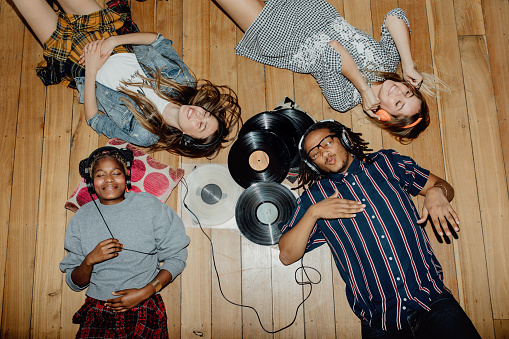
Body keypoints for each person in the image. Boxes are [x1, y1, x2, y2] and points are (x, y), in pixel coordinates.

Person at [278, 120, 481, 338]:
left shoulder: (387, 163)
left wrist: (435, 192)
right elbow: (287, 255)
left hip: (432, 303)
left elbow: (444, 187)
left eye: (326, 142)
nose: (323, 152)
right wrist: (313, 213)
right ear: (313, 165)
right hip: (380, 322)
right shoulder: (315, 198)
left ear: (344, 138)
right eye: (314, 154)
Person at [11, 0, 242, 158]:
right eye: (206, 113)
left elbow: (94, 120)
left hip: (77, 59)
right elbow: (157, 41)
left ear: (188, 139)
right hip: (105, 32)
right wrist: (113, 42)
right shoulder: (183, 81)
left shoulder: (144, 134)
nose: (198, 114)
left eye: (200, 125)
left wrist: (90, 71)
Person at [214, 0, 434, 142]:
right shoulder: (387, 64)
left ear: (384, 115)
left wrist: (363, 88)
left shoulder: (344, 100)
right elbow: (395, 16)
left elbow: (332, 50)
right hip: (305, 8)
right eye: (408, 93)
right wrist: (407, 63)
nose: (399, 92)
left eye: (398, 103)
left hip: (281, 34)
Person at [60, 147, 190, 338]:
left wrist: (145, 292)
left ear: (127, 177)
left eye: (116, 173)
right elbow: (74, 282)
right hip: (98, 312)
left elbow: (176, 256)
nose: (109, 179)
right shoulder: (81, 218)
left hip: (144, 306)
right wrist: (89, 261)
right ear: (91, 182)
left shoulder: (149, 206)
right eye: (100, 174)